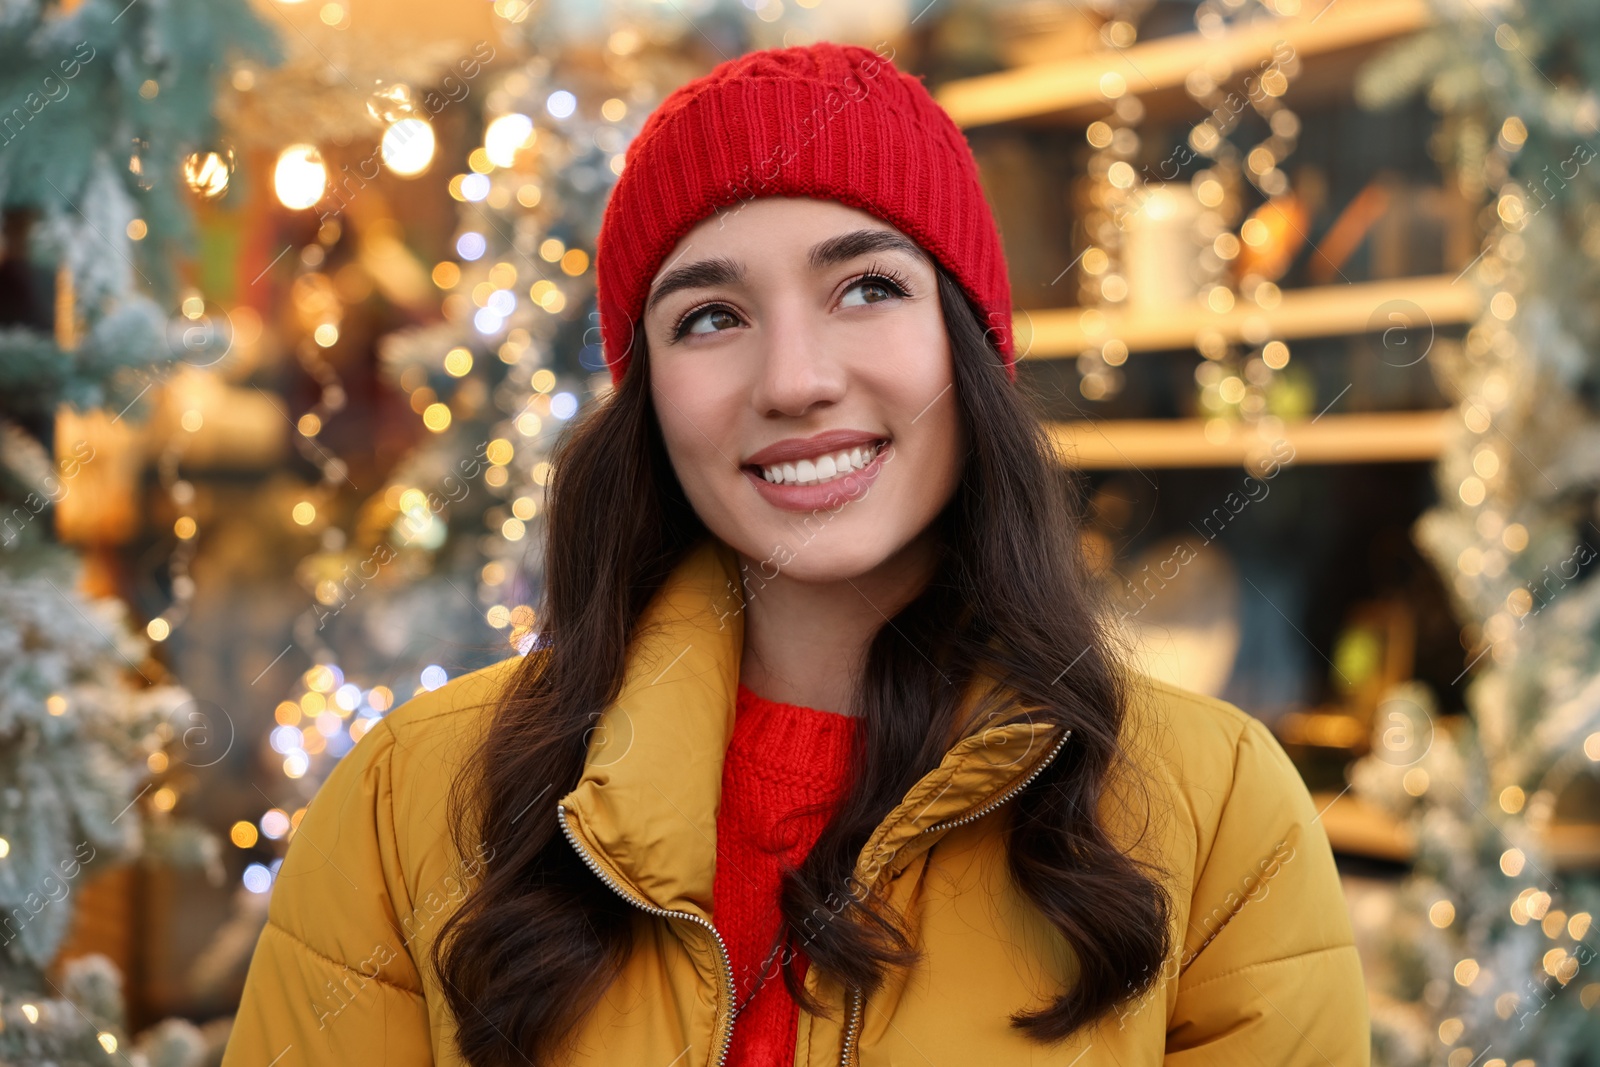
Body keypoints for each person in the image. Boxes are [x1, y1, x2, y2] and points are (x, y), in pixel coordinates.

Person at [222, 41, 1370, 1067]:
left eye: (867, 286)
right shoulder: (408, 801)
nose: (793, 379)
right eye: (709, 316)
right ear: (649, 398)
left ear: (965, 345)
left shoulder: (1216, 813)